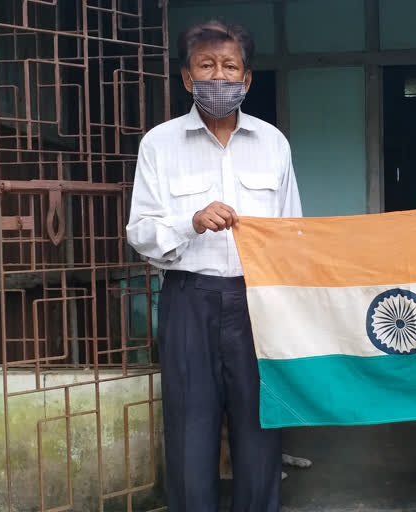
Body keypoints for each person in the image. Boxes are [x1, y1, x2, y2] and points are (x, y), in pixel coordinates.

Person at [126, 19, 301, 512]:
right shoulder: (158, 144)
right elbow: (140, 231)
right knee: (189, 428)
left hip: (257, 303)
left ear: (247, 80)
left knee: (261, 426)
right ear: (187, 77)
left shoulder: (274, 144)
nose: (218, 78)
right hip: (189, 299)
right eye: (207, 66)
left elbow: (292, 229)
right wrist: (191, 222)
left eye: (230, 68)